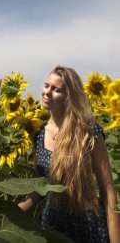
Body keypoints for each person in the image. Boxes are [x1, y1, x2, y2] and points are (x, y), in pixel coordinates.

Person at [18, 66, 120, 243]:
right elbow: (37, 190)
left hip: (87, 226)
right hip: (52, 226)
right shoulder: (40, 134)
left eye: (56, 89)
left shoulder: (88, 133)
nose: (47, 92)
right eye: (46, 85)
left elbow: (108, 191)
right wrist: (9, 219)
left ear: (69, 97)